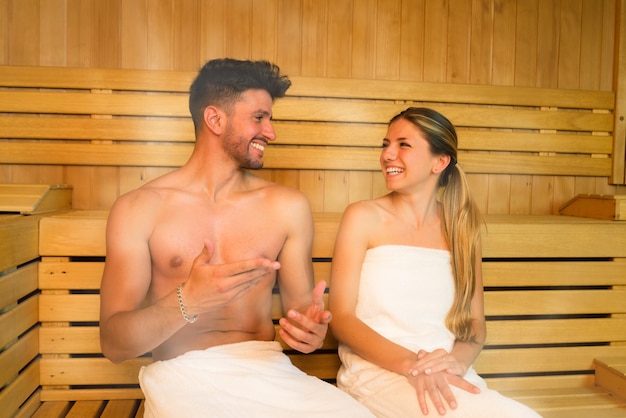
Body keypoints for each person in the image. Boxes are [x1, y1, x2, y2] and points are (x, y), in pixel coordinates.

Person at [99, 58, 373, 418]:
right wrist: (189, 300)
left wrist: (311, 333)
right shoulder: (140, 209)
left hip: (268, 371)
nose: (271, 132)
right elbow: (114, 343)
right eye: (259, 118)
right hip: (184, 376)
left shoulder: (286, 207)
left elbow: (302, 316)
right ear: (215, 119)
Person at [328, 107, 542, 417]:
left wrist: (458, 362)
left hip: (449, 373)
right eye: (385, 143)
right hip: (379, 374)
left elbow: (474, 322)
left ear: (439, 162)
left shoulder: (461, 228)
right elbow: (342, 318)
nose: (388, 154)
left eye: (404, 144)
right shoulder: (363, 217)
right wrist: (411, 364)